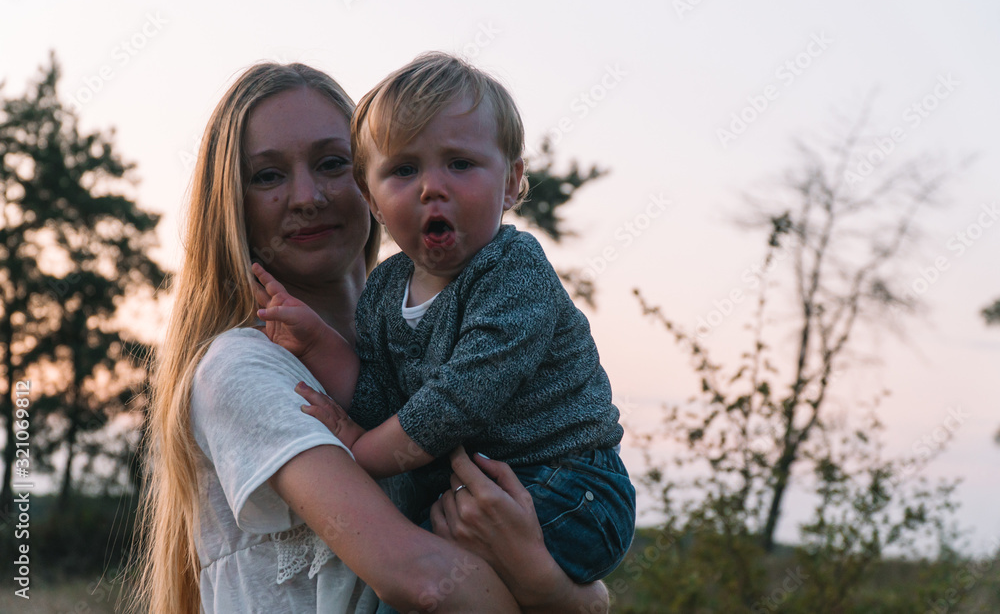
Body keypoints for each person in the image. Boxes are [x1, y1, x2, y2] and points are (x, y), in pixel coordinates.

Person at [133, 61, 611, 613]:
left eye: (331, 163)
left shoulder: (426, 337)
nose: (307, 196)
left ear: (362, 180)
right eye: (268, 175)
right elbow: (426, 582)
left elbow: (591, 594)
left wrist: (541, 576)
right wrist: (549, 589)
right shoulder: (240, 367)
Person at [253, 52, 636, 586]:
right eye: (404, 170)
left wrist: (362, 450)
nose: (433, 186)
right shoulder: (385, 292)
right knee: (420, 574)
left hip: (573, 485)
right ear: (373, 200)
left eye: (460, 163)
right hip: (479, 490)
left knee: (425, 577)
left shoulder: (512, 271)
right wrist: (318, 344)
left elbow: (462, 397)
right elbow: (381, 395)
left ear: (511, 183)